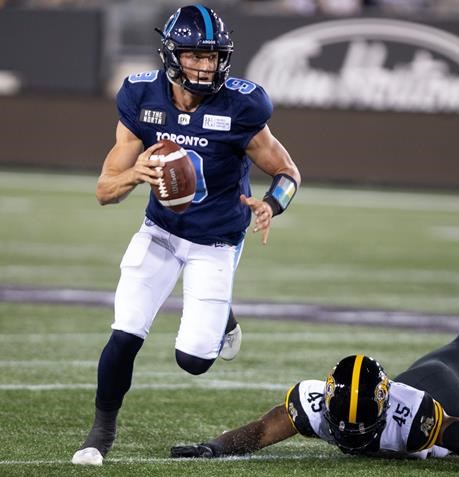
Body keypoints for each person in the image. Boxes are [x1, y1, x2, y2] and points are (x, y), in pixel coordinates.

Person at [72, 4, 301, 466]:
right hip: (160, 232)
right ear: (172, 55)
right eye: (195, 55)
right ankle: (99, 433)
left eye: (213, 56)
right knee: (125, 333)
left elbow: (288, 172)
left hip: (215, 242)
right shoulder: (142, 97)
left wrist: (272, 203)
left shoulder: (241, 105)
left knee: (194, 361)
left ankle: (224, 317)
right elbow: (104, 191)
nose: (205, 66)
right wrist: (135, 174)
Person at [170, 251, 459, 459]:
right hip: (426, 373)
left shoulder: (412, 416)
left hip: (446, 400)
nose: (351, 437)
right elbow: (262, 430)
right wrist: (215, 447)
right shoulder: (314, 402)